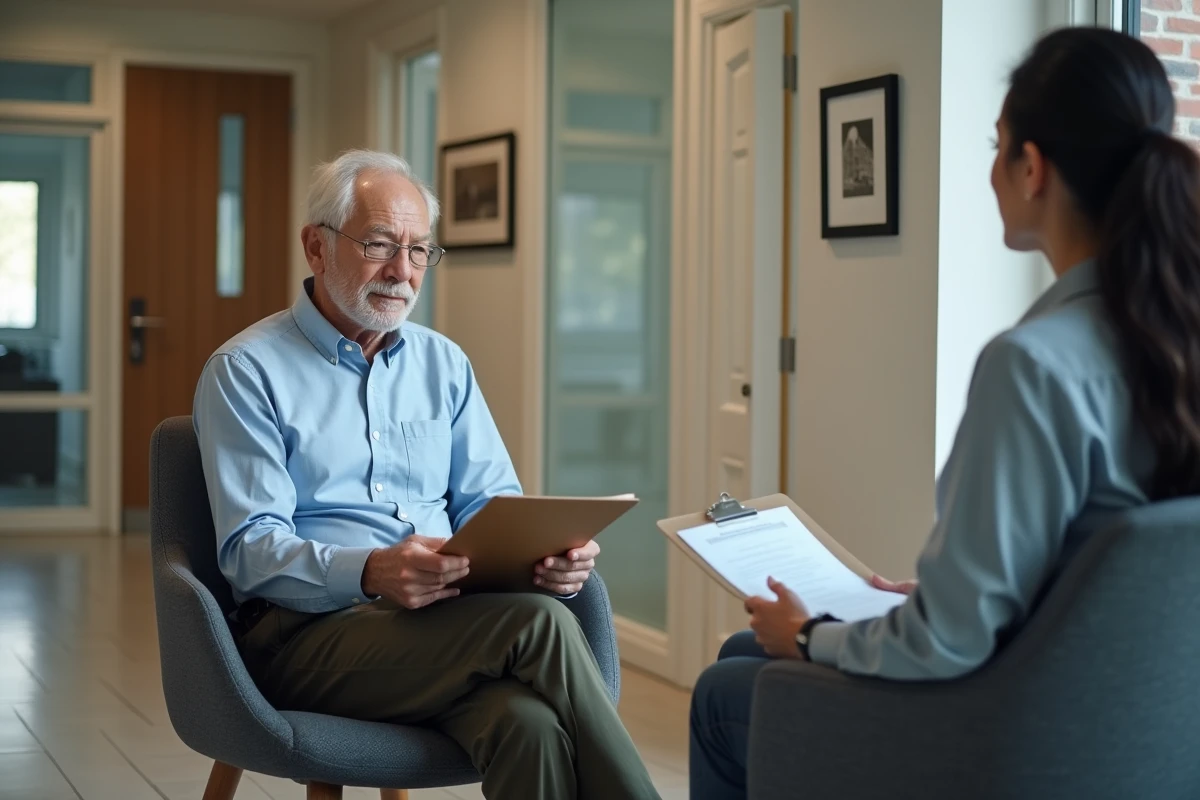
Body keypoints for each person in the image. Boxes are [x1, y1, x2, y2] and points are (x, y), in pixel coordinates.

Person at [689, 26, 1200, 799]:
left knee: (728, 694)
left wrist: (810, 635)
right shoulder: (1173, 344)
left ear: (1031, 168)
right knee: (743, 647)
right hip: (1138, 732)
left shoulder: (1034, 366)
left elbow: (950, 642)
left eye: (995, 148)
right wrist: (923, 599)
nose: (990, 172)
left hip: (1011, 741)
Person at [193, 149, 660, 800]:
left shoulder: (444, 363)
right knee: (540, 623)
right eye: (381, 244)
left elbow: (491, 505)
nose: (402, 272)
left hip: (444, 626)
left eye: (419, 251)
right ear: (316, 247)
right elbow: (250, 553)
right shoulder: (246, 371)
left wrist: (548, 557)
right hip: (302, 639)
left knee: (526, 725)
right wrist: (372, 569)